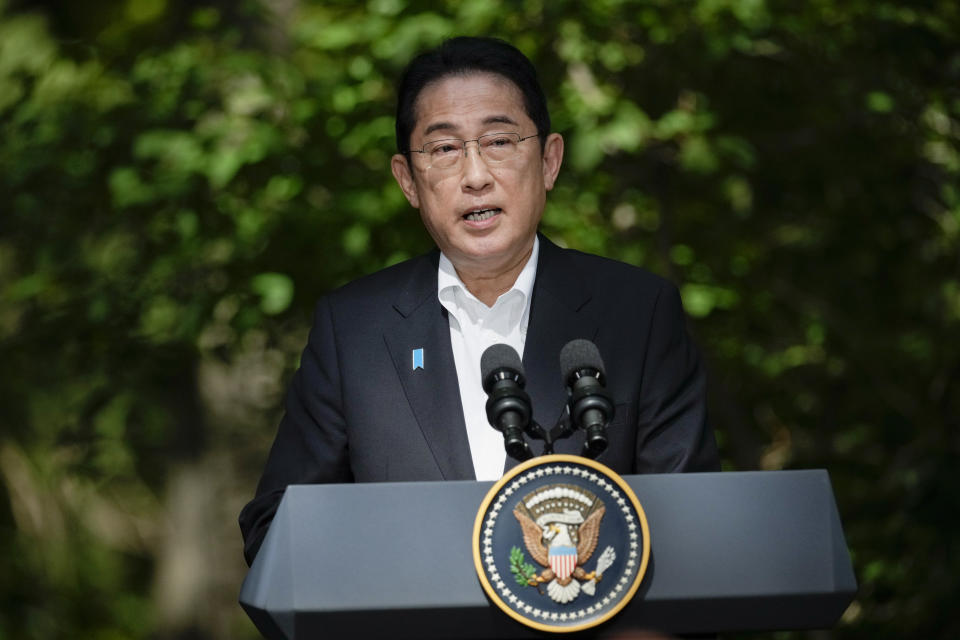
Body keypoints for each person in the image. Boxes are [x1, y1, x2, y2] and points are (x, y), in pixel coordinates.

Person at [239, 37, 719, 566]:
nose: (475, 175)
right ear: (408, 181)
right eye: (444, 149)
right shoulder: (353, 331)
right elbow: (276, 531)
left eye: (499, 141)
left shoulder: (638, 313)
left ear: (549, 161)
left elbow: (693, 530)